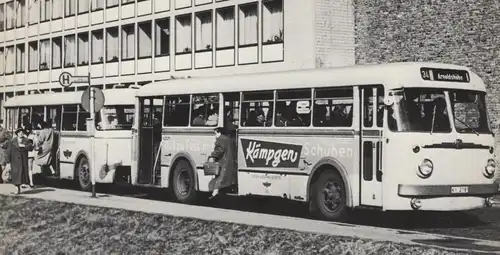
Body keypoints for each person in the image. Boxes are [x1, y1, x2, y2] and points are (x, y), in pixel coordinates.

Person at [207, 127, 237, 199]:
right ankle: (218, 193)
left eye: (215, 133)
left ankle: (214, 193)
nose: (215, 136)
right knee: (224, 179)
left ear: (219, 132)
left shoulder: (221, 139)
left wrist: (212, 156)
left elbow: (219, 150)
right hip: (229, 161)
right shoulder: (228, 139)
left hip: (223, 162)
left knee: (220, 178)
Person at [4, 128, 33, 194]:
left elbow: (31, 147)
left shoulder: (26, 140)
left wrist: (25, 146)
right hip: (15, 161)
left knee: (22, 175)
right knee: (16, 175)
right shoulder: (12, 141)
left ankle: (19, 188)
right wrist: (8, 161)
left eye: (22, 132)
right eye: (19, 132)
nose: (21, 133)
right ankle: (17, 189)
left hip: (23, 160)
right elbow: (8, 151)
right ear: (17, 133)